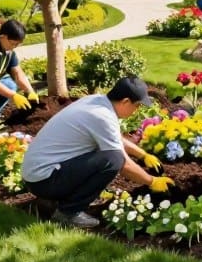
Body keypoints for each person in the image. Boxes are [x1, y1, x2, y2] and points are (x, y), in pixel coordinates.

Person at [21, 76, 174, 228]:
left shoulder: (97, 101)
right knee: (113, 159)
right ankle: (68, 213)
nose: (137, 110)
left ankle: (57, 199)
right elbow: (123, 164)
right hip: (44, 180)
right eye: (137, 106)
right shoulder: (102, 116)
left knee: (108, 153)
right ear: (126, 101)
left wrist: (143, 155)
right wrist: (151, 181)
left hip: (39, 174)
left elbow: (115, 137)